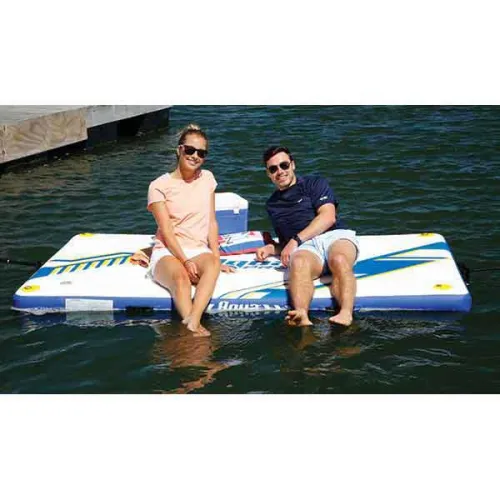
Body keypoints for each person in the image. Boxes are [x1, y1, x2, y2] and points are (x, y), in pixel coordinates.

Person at [131, 124, 234, 337]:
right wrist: (185, 261)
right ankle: (194, 329)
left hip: (198, 249)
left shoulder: (207, 178)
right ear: (179, 150)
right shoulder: (159, 186)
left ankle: (193, 321)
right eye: (190, 150)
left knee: (212, 264)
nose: (195, 156)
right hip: (168, 250)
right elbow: (167, 231)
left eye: (201, 153)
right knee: (180, 278)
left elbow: (212, 222)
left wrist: (216, 259)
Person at [256, 146, 359, 327]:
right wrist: (273, 248)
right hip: (306, 248)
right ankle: (301, 313)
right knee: (298, 263)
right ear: (268, 174)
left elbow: (328, 217)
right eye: (273, 169)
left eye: (284, 165)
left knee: (339, 259)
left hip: (333, 236)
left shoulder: (314, 183)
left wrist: (296, 240)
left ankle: (345, 313)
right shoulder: (272, 204)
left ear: (293, 165)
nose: (280, 171)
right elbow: (287, 243)